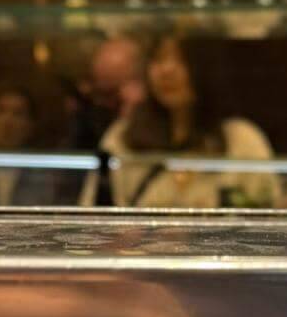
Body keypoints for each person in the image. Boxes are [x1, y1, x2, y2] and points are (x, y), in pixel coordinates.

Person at [102, 37, 277, 209]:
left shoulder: (242, 141)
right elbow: (96, 223)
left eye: (182, 59)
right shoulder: (120, 139)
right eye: (158, 59)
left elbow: (269, 220)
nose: (167, 70)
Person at [0, 80, 64, 206]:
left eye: (18, 113)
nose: (8, 121)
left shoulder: (42, 173)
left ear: (30, 125)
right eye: (0, 111)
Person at [70, 36, 146, 153]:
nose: (102, 102)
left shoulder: (147, 113)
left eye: (112, 92)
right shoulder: (88, 113)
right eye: (101, 93)